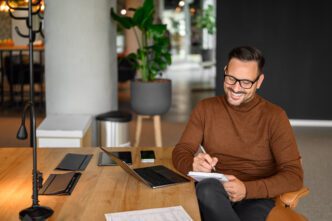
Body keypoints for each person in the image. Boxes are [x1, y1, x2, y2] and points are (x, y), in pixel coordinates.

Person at [172, 46, 303, 221]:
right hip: (213, 193)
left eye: (246, 82)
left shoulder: (275, 116)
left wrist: (247, 190)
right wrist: (193, 164)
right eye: (231, 78)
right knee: (207, 189)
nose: (236, 88)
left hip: (255, 197)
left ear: (259, 81)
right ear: (225, 71)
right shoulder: (206, 108)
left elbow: (294, 176)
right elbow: (181, 150)